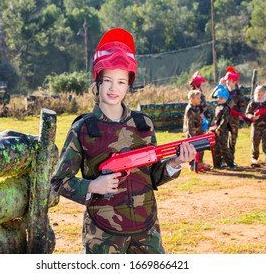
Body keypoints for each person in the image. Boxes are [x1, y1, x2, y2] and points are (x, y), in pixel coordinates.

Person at [50, 28, 196, 254]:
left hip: (146, 231)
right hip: (102, 235)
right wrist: (93, 185)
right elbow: (58, 181)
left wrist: (175, 163)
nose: (113, 88)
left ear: (129, 85)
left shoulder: (143, 125)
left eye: (120, 81)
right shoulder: (84, 128)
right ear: (97, 82)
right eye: (107, 80)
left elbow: (153, 176)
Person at [245, 86, 266, 165]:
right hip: (255, 125)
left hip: (265, 125)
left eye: (261, 94)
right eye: (258, 94)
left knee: (265, 141)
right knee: (255, 141)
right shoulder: (252, 103)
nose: (259, 96)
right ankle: (254, 157)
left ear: (264, 94)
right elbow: (247, 114)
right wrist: (252, 117)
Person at [223, 67, 247, 166]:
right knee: (223, 139)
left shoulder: (239, 93)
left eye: (229, 80)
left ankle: (231, 160)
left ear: (234, 81)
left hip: (234, 119)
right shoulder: (224, 90)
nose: (227, 82)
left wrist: (241, 114)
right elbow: (214, 96)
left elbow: (243, 105)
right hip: (224, 119)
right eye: (227, 80)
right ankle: (224, 160)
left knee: (232, 140)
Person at [183, 89, 211, 171]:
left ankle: (200, 164)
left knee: (201, 149)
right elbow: (190, 125)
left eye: (200, 98)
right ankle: (192, 165)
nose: (200, 100)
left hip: (200, 132)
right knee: (193, 150)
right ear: (192, 99)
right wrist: (193, 138)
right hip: (194, 135)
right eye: (198, 98)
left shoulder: (197, 108)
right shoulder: (190, 110)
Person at [209, 87, 236, 170]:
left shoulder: (226, 108)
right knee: (215, 148)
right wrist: (211, 127)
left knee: (224, 148)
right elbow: (215, 119)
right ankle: (216, 164)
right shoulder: (217, 107)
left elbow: (225, 120)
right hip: (214, 130)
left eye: (221, 98)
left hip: (222, 131)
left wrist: (219, 129)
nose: (219, 99)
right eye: (218, 98)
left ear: (225, 98)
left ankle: (230, 164)